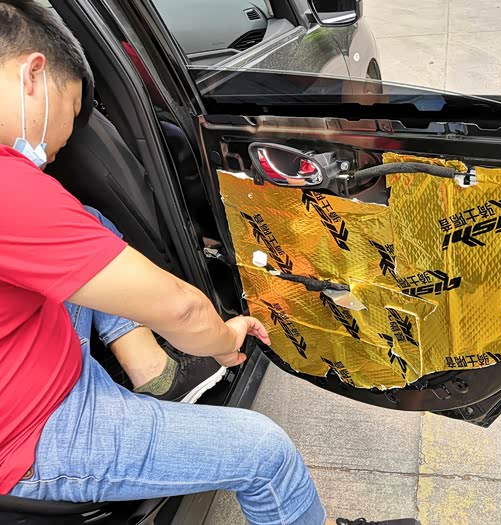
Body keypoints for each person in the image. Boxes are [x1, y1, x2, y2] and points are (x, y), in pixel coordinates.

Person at [0, 2, 419, 524]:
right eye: (69, 111)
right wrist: (223, 339)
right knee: (264, 452)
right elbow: (182, 310)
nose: (55, 149)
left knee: (90, 220)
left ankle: (153, 370)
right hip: (32, 431)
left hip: (31, 366)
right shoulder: (13, 189)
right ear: (33, 74)